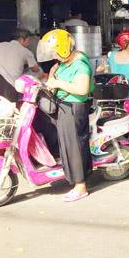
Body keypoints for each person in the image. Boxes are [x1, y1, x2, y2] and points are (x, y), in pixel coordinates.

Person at [37, 29, 93, 202]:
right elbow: (53, 77)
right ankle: (73, 179)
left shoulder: (80, 65)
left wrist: (58, 83)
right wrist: (52, 77)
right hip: (63, 107)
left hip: (74, 108)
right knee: (66, 145)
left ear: (64, 48)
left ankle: (81, 186)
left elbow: (82, 90)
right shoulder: (63, 63)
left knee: (75, 146)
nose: (54, 56)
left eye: (55, 52)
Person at [0, 28, 40, 102]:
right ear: (21, 39)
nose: (29, 43)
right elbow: (36, 69)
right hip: (8, 86)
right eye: (28, 40)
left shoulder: (0, 45)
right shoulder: (26, 52)